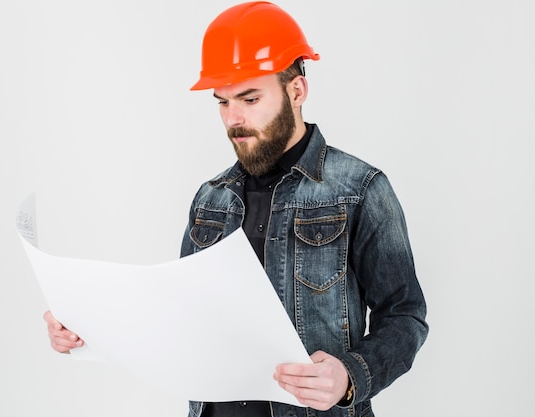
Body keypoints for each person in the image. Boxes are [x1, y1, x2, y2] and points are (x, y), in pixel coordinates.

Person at [44, 2, 428, 416]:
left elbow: (405, 315)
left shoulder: (360, 189)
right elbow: (177, 320)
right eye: (223, 102)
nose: (234, 119)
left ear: (296, 91)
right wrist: (90, 328)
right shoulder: (211, 199)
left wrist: (350, 375)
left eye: (249, 98)